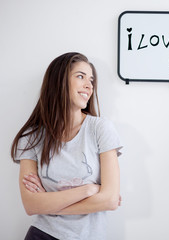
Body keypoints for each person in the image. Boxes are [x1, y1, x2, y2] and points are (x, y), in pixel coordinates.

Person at [11, 52, 122, 240]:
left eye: (91, 80)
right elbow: (31, 206)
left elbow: (110, 200)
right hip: (42, 234)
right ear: (59, 81)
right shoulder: (31, 138)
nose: (89, 85)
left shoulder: (100, 129)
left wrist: (48, 203)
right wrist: (88, 190)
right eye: (80, 76)